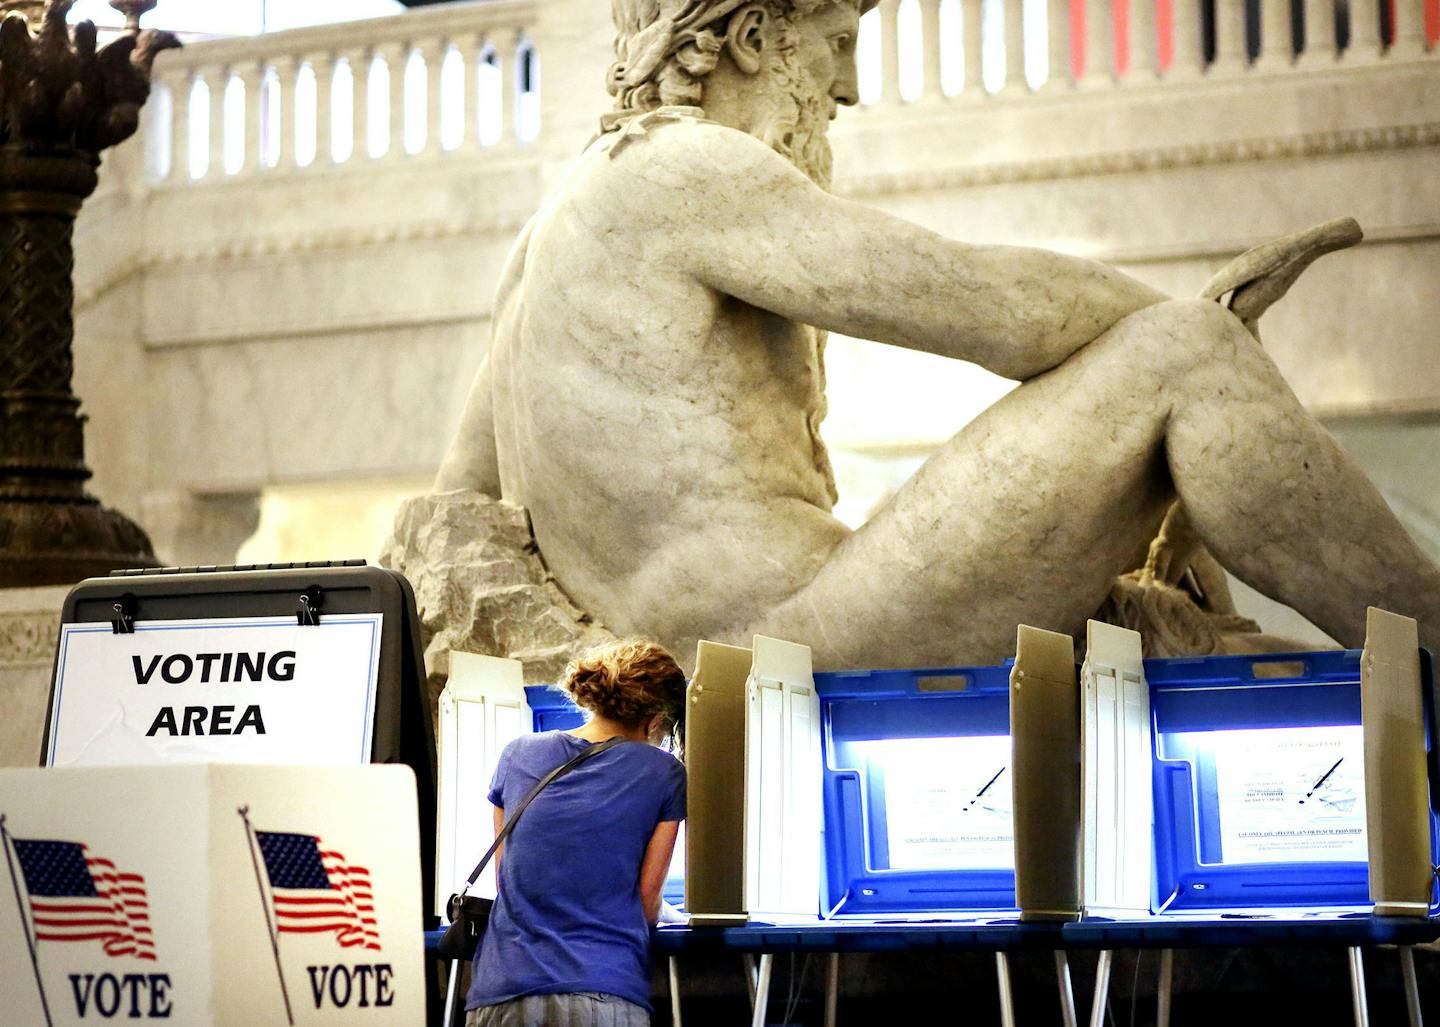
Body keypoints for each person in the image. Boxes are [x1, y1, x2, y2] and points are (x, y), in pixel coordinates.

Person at [434, 0, 1440, 669]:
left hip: (710, 656)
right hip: (798, 639)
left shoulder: (544, 237)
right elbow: (990, 308)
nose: (849, 88)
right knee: (1185, 358)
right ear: (750, 40)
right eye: (834, 42)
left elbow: (454, 511)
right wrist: (1199, 321)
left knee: (1187, 630)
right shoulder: (682, 169)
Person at [466, 639, 688, 1027]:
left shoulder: (517, 754)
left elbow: (509, 882)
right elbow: (647, 904)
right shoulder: (663, 772)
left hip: (502, 991)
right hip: (603, 990)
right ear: (655, 720)